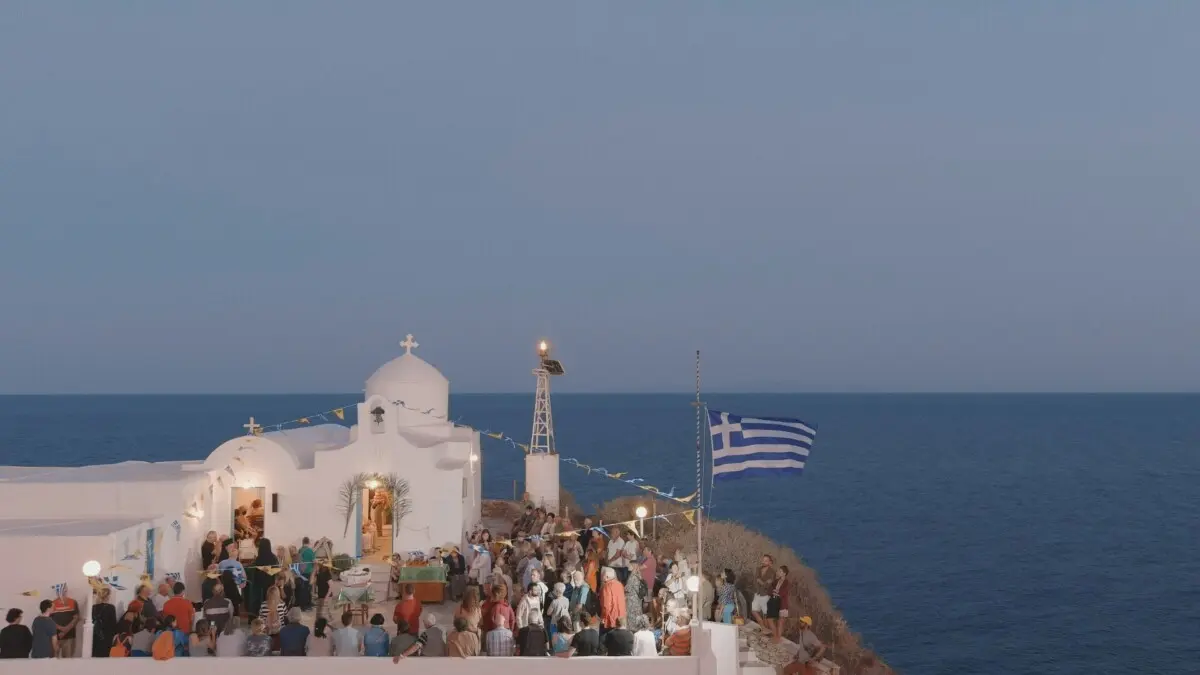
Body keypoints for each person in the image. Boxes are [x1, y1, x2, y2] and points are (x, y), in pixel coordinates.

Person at [49, 585, 80, 658]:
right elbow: (49, 620)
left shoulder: (73, 602)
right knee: (54, 660)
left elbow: (76, 618)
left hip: (69, 637)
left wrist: (65, 630)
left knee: (67, 661)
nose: (63, 592)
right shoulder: (52, 603)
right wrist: (60, 628)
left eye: (64, 590)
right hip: (55, 637)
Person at [90, 587, 118, 657]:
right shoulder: (111, 607)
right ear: (108, 596)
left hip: (96, 635)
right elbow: (113, 623)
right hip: (107, 636)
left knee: (95, 654)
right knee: (105, 655)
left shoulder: (94, 607)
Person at [752, 554, 777, 629]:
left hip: (765, 595)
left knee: (765, 614)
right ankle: (763, 627)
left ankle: (766, 630)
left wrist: (761, 582)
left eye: (766, 560)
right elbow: (755, 580)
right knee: (753, 610)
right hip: (757, 593)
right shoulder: (758, 569)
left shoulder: (772, 572)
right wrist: (763, 582)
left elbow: (768, 585)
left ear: (770, 562)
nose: (763, 562)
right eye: (763, 560)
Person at [600, 566, 626, 630]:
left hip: (611, 617)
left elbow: (606, 605)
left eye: (603, 575)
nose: (601, 577)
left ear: (607, 577)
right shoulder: (620, 584)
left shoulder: (606, 587)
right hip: (621, 615)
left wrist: (604, 617)